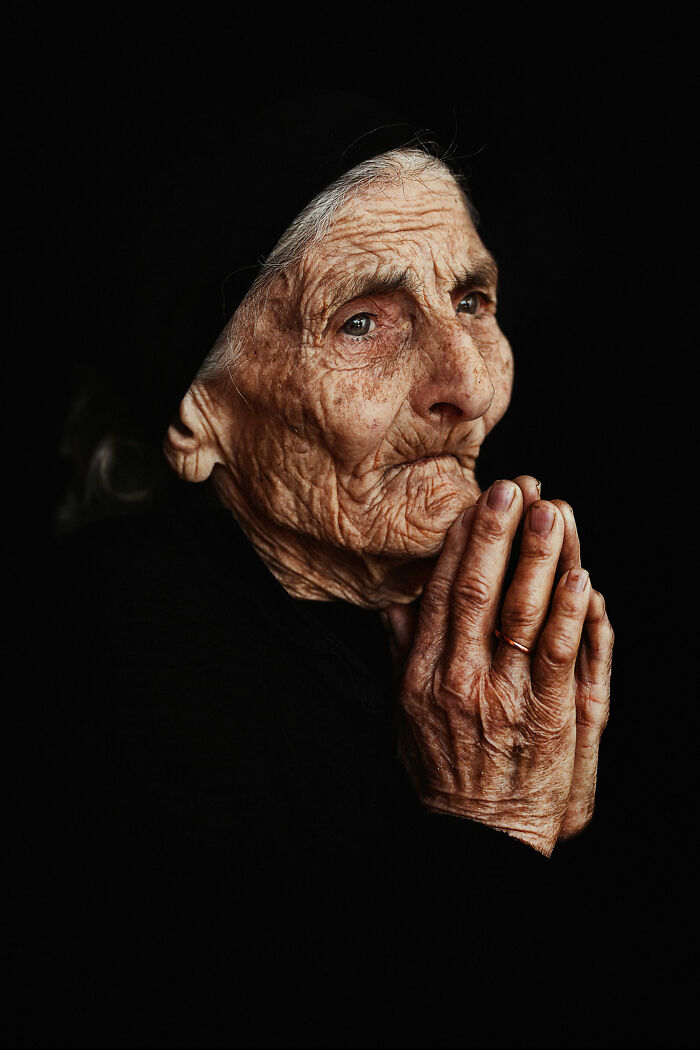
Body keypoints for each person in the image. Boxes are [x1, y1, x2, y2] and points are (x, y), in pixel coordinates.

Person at [31, 98, 613, 1047]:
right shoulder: (107, 673)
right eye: (361, 324)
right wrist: (494, 830)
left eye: (471, 300)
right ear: (197, 418)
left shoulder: (464, 637)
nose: (467, 383)